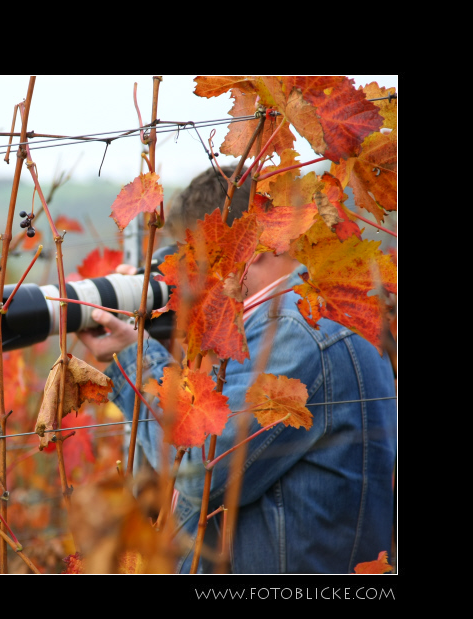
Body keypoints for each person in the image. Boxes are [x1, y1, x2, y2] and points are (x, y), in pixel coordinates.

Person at [77, 166, 397, 573]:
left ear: (250, 243)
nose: (189, 275)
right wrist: (176, 339)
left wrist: (138, 361)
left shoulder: (299, 332)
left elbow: (196, 468)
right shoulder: (283, 322)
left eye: (196, 256)